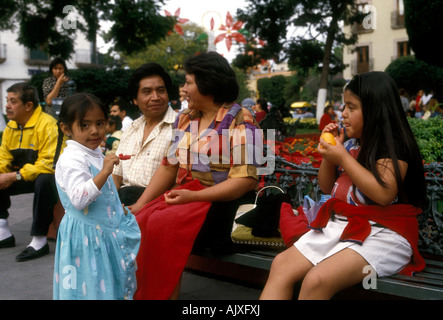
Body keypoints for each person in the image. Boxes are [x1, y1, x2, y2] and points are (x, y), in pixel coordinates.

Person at [260, 71, 427, 300]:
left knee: (317, 280)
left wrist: (343, 158)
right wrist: (331, 156)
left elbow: (383, 194)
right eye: (344, 106)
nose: (343, 114)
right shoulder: (351, 145)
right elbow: (327, 187)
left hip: (386, 233)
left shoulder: (393, 147)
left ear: (375, 110)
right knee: (281, 264)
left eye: (352, 107)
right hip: (344, 224)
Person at [130, 52, 261, 300]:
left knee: (161, 225)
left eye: (188, 82)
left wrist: (191, 197)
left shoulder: (243, 118)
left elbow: (247, 180)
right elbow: (169, 166)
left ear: (208, 83)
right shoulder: (185, 118)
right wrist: (140, 204)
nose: (183, 89)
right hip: (188, 196)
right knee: (140, 220)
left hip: (226, 201)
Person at [52, 93, 140, 300]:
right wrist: (104, 172)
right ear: (66, 129)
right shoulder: (72, 158)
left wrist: (117, 208)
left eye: (100, 123)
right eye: (85, 125)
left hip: (100, 235)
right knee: (90, 287)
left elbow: (105, 193)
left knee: (104, 284)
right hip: (85, 238)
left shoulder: (92, 152)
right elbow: (79, 198)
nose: (94, 131)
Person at [0, 82, 59, 261]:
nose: (7, 106)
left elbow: (49, 164)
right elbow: (3, 159)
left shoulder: (48, 125)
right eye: (6, 101)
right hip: (23, 175)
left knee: (44, 179)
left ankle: (39, 240)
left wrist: (15, 176)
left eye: (12, 101)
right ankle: (3, 233)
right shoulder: (11, 127)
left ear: (28, 106)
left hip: (51, 178)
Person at [112, 63, 176, 206]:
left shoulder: (179, 127)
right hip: (123, 203)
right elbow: (116, 175)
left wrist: (139, 206)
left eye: (160, 90)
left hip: (158, 205)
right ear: (135, 99)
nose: (155, 97)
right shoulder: (131, 129)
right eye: (147, 92)